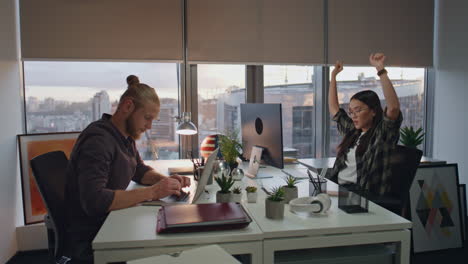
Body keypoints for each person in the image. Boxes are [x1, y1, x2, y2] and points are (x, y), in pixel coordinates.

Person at [64, 75, 190, 263]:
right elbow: (95, 201)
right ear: (127, 106)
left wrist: (163, 181)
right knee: (168, 246)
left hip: (110, 221)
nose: (148, 126)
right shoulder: (98, 140)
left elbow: (138, 170)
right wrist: (154, 192)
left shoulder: (124, 137)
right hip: (93, 236)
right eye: (147, 118)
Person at [327, 53, 402, 197]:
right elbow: (334, 109)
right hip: (338, 188)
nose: (353, 115)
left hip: (360, 196)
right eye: (351, 112)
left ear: (373, 111)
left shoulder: (382, 134)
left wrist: (380, 69)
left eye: (358, 110)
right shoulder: (353, 131)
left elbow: (393, 108)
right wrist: (333, 76)